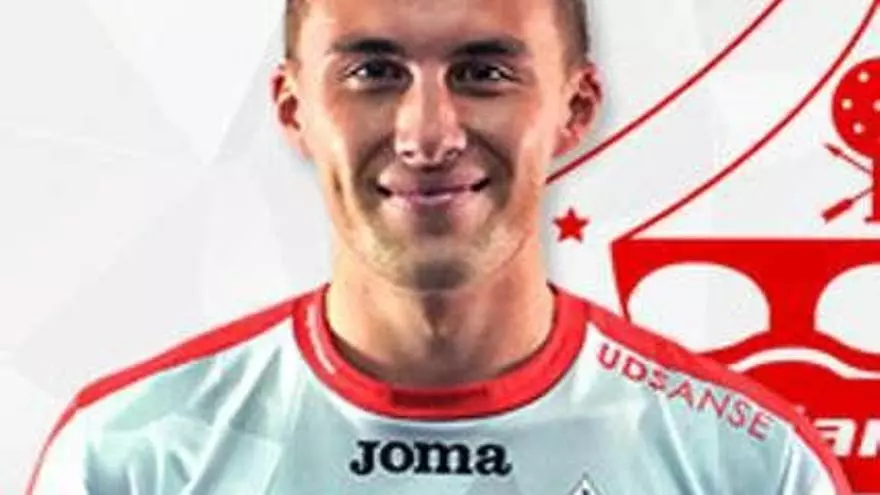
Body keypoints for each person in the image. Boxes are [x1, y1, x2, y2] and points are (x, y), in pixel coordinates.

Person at [28, 0, 851, 493]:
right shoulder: (131, 457)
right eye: (373, 73)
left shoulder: (746, 463)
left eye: (483, 73)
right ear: (292, 108)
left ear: (576, 106)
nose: (427, 135)